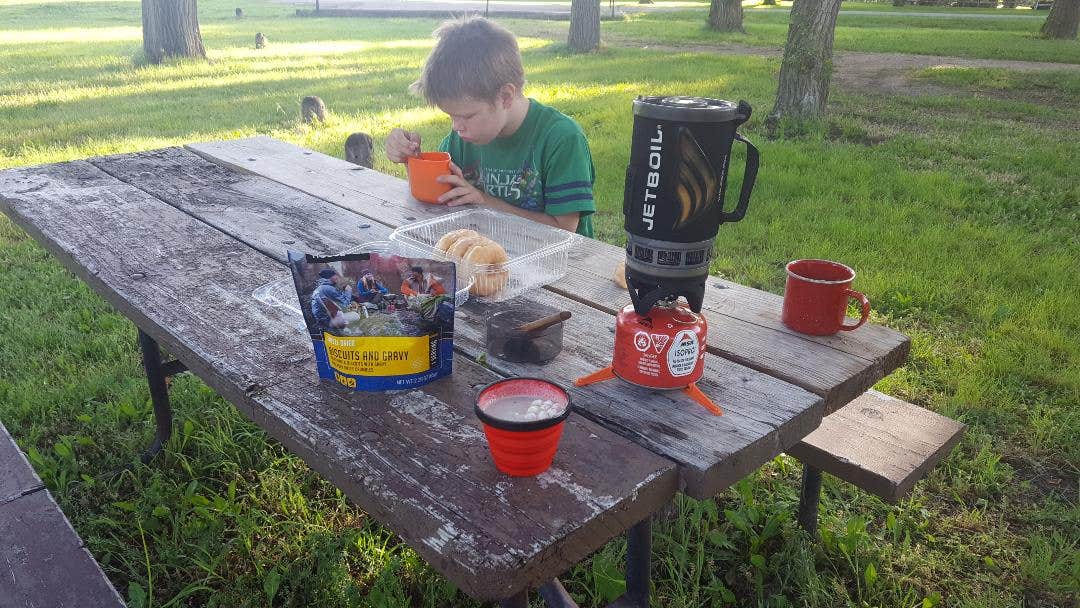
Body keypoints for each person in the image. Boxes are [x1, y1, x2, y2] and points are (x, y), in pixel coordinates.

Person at [385, 17, 596, 238]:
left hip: (560, 265)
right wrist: (411, 158)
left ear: (505, 96)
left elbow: (564, 230)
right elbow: (440, 196)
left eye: (466, 116)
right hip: (484, 256)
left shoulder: (561, 139)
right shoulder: (463, 139)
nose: (456, 127)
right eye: (451, 116)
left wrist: (485, 203)